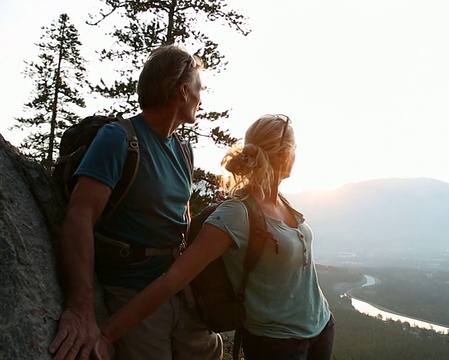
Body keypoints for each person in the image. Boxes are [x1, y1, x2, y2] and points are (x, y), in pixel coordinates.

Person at [93, 114, 334, 360]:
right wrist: (107, 335)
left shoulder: (279, 200)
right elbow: (173, 278)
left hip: (321, 326)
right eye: (294, 148)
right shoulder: (236, 214)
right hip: (277, 344)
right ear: (285, 154)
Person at [49, 44, 223, 360]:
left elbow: (180, 217)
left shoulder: (182, 149)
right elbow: (79, 217)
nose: (202, 97)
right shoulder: (118, 139)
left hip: (176, 292)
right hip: (131, 294)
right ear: (183, 92)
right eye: (200, 88)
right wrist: (82, 309)